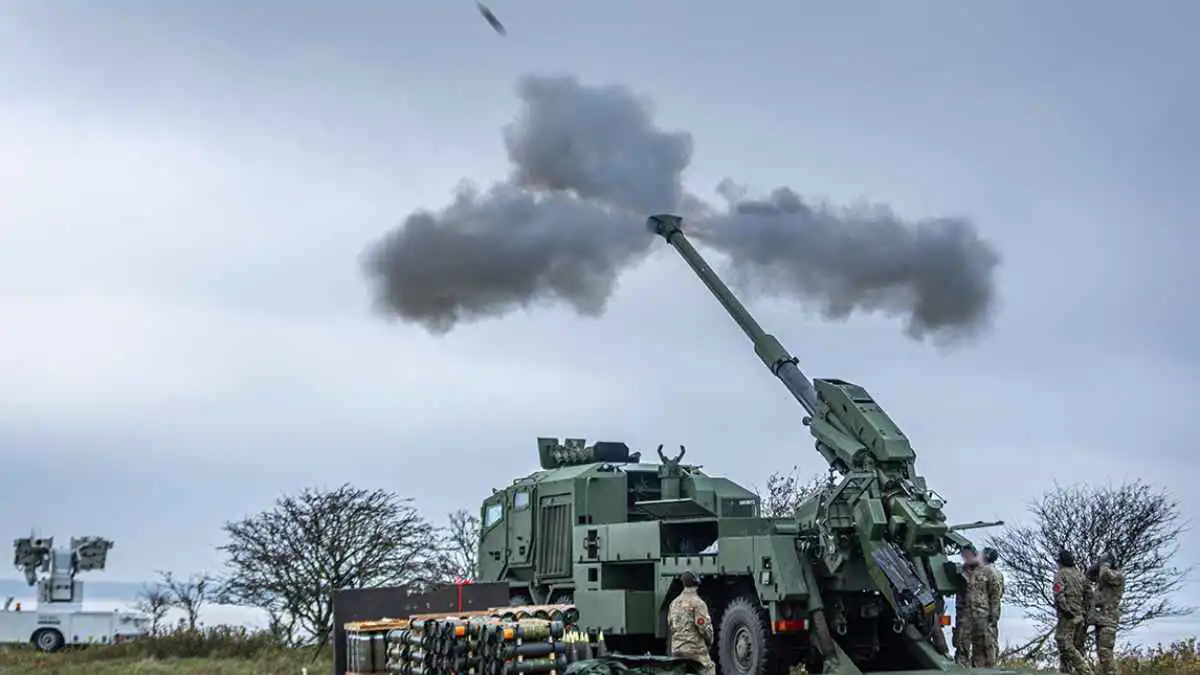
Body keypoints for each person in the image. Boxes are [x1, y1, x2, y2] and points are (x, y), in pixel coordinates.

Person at [1053, 549, 1093, 675]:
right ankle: (1065, 672)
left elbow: (1058, 594)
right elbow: (1089, 594)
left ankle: (1086, 671)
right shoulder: (1081, 574)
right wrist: (1084, 610)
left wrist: (1066, 610)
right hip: (1080, 616)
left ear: (1061, 561)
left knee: (1064, 643)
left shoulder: (1060, 574)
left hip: (1068, 616)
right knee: (1072, 647)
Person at [668, 571, 715, 675]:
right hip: (695, 651)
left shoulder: (674, 603)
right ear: (697, 583)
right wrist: (710, 641)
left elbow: (671, 625)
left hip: (677, 650)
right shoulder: (698, 603)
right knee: (709, 669)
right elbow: (704, 627)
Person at [1088, 553, 1125, 675]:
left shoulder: (1117, 576)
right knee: (1102, 654)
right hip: (1100, 618)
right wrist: (1098, 564)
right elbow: (1089, 575)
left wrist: (1104, 563)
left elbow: (1104, 574)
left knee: (1106, 653)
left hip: (1108, 619)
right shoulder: (1104, 576)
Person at [982, 546, 1004, 661]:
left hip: (984, 610)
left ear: (986, 556)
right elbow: (1000, 593)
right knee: (993, 638)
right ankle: (993, 663)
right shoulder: (999, 573)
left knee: (984, 642)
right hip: (994, 609)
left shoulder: (985, 571)